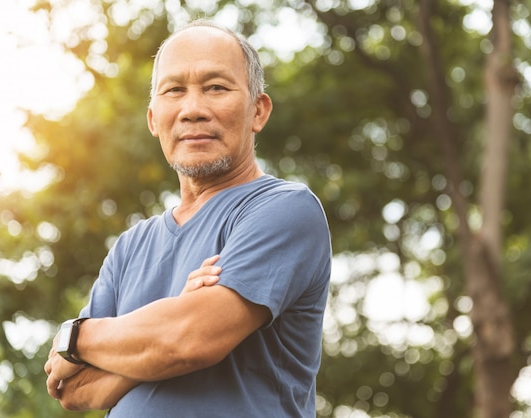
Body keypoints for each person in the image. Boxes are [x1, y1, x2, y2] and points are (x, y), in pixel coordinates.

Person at [44, 19, 332, 417]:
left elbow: (191, 340)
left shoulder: (285, 209)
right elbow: (72, 389)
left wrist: (74, 335)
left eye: (216, 87)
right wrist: (174, 317)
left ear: (258, 111)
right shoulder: (130, 247)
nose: (193, 109)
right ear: (152, 119)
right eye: (174, 90)